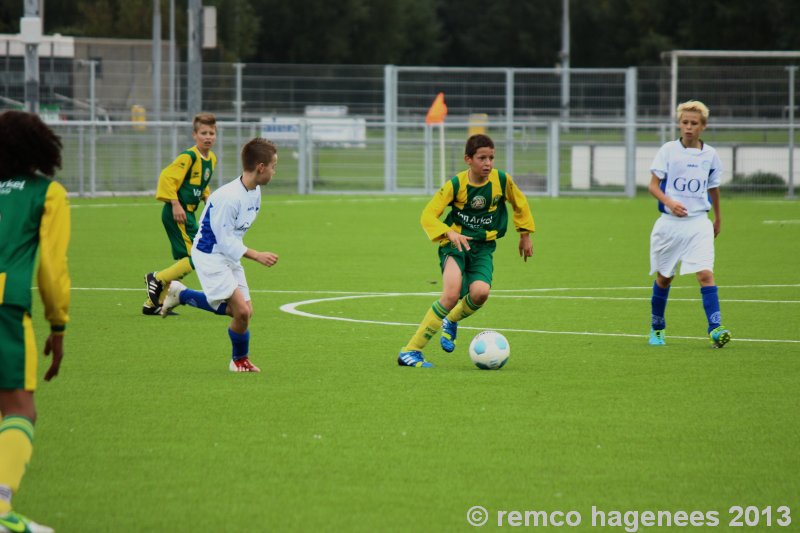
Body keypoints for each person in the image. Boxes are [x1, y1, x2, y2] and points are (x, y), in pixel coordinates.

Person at [398, 133, 535, 368]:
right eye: (482, 158)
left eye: (491, 157)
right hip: (455, 245)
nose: (488, 163)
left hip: (483, 248)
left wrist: (525, 235)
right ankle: (411, 351)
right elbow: (428, 215)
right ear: (468, 159)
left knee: (481, 293)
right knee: (451, 295)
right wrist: (448, 232)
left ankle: (451, 321)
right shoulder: (456, 185)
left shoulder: (501, 181)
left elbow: (520, 203)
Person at [0, 110, 71, 533]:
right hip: (5, 306)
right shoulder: (47, 193)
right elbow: (51, 267)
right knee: (19, 407)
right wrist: (57, 325)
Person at [160, 137, 280, 372]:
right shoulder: (228, 198)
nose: (275, 172)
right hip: (210, 254)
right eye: (274, 167)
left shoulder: (254, 192)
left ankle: (181, 294)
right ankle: (239, 361)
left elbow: (233, 237)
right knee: (242, 311)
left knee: (244, 314)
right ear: (261, 167)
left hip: (229, 254)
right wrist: (256, 255)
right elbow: (224, 240)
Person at [647, 100, 730, 348]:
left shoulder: (710, 155)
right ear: (679, 124)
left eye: (694, 123)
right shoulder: (668, 150)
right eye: (685, 123)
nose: (689, 127)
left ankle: (716, 328)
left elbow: (713, 188)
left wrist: (717, 217)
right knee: (664, 278)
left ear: (703, 126)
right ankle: (657, 328)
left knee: (705, 274)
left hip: (698, 224)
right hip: (670, 225)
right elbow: (652, 185)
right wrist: (669, 202)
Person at [143, 112, 218, 315]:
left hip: (190, 216)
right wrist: (175, 204)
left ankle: (153, 305)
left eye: (211, 132)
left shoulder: (211, 159)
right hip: (177, 213)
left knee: (188, 259)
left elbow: (201, 183)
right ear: (195, 135)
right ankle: (157, 278)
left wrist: (207, 198)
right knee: (196, 257)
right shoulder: (189, 156)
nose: (208, 137)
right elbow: (167, 177)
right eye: (203, 133)